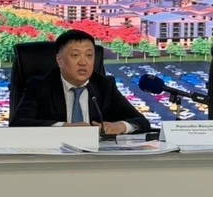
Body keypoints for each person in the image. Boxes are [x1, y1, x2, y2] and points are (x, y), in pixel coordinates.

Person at [10, 29, 150, 134]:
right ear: (59, 60)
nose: (83, 62)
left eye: (89, 55)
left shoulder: (105, 85)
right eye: (75, 55)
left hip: (95, 158)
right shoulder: (40, 85)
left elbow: (141, 122)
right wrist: (64, 127)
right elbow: (18, 123)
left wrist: (118, 127)